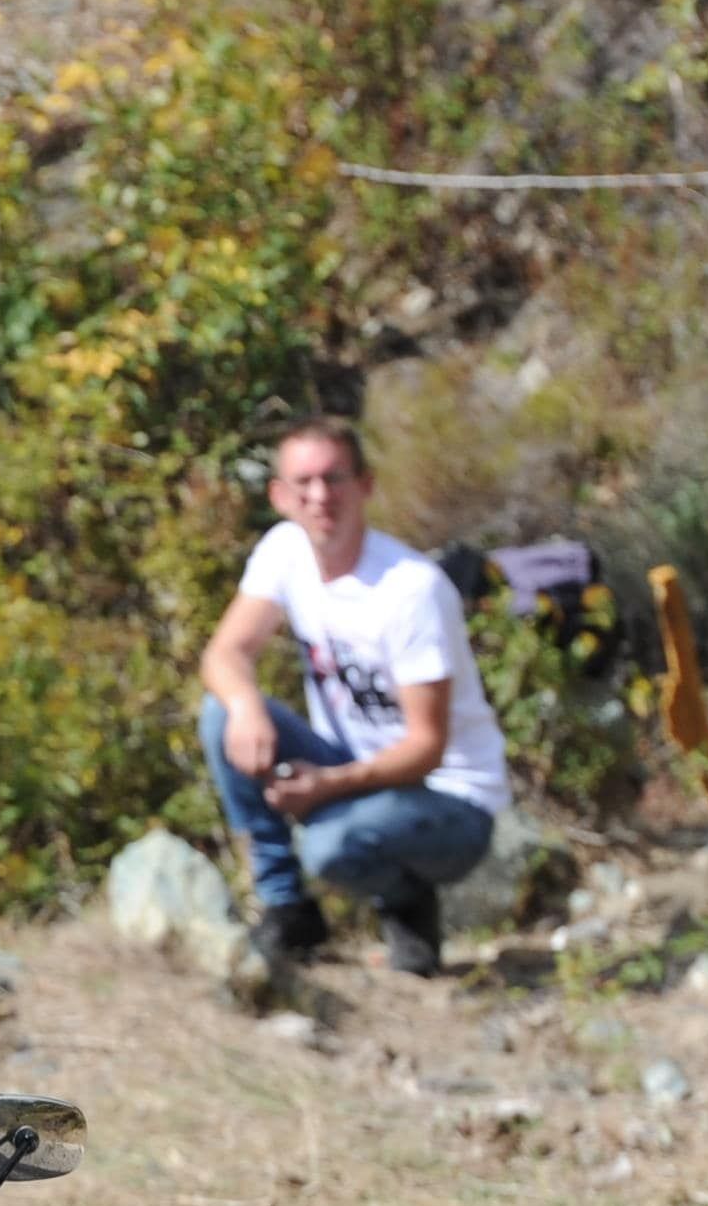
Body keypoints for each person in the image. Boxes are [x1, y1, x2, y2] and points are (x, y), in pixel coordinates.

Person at [193, 418, 510, 978]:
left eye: (334, 479)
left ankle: (407, 903)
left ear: (365, 485)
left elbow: (427, 747)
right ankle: (287, 908)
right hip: (358, 770)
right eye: (304, 483)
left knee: (328, 845)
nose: (320, 497)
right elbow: (224, 655)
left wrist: (326, 786)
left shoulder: (408, 590)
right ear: (280, 496)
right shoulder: (285, 551)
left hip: (450, 800)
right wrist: (246, 707)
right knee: (223, 713)